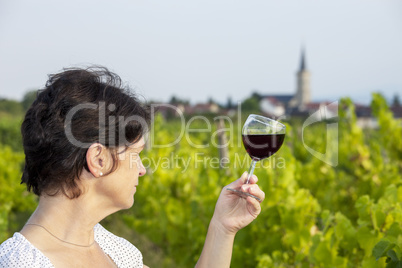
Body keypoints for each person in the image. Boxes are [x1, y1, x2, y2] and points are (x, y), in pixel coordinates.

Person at [0, 67, 265, 268]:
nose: (142, 169)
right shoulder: (22, 263)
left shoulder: (117, 251)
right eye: (135, 154)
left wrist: (222, 227)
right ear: (99, 160)